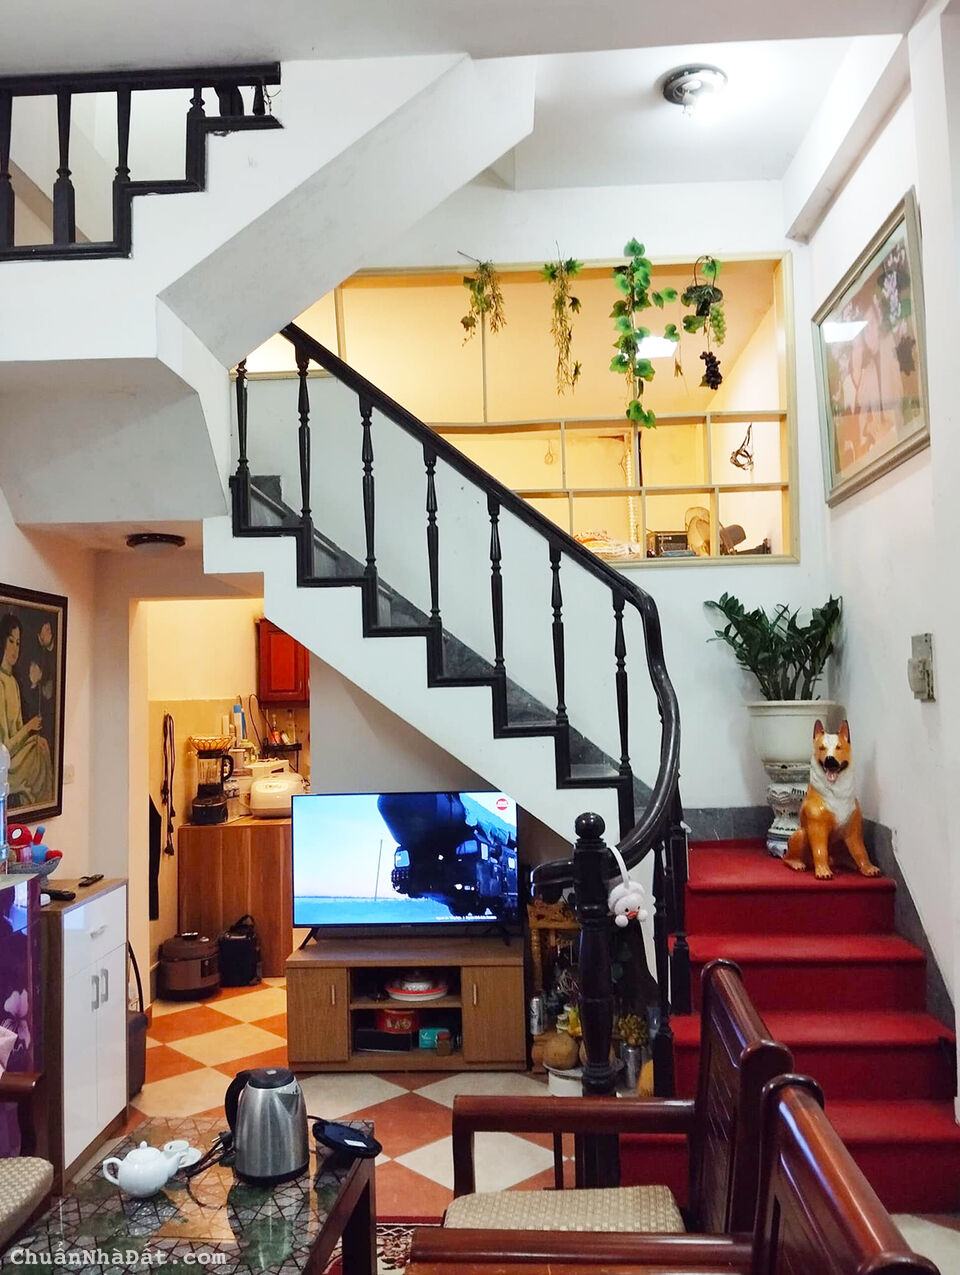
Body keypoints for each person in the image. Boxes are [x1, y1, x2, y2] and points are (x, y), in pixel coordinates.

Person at [0, 614, 53, 808]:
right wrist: (29, 727)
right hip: (6, 765)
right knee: (39, 749)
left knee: (42, 744)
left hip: (16, 757)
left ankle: (39, 807)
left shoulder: (13, 683)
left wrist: (29, 731)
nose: (15, 649)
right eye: (11, 641)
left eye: (18, 643)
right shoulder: (1, 684)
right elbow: (5, 748)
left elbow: (18, 737)